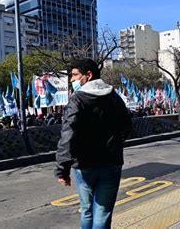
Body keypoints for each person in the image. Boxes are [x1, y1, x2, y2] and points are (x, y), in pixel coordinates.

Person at [54, 58, 133, 229]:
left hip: (85, 165)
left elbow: (68, 134)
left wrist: (62, 168)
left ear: (88, 75)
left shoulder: (77, 100)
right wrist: (113, 144)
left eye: (75, 75)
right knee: (103, 213)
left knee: (87, 210)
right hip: (111, 163)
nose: (71, 80)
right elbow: (127, 127)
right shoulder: (114, 97)